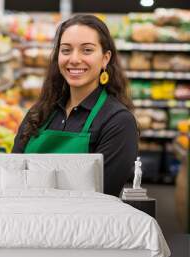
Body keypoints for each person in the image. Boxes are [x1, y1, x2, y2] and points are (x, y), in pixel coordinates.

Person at [12, 14, 138, 197]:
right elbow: (12, 174)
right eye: (66, 50)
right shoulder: (39, 113)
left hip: (81, 223)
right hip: (25, 220)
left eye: (87, 50)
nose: (74, 59)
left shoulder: (118, 122)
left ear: (105, 58)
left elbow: (103, 196)